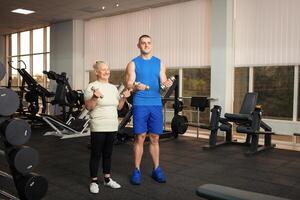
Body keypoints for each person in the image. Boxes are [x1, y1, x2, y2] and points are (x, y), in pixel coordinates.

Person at [125, 35, 173, 185]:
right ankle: (136, 170)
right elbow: (128, 84)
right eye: (143, 43)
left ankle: (156, 169)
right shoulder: (133, 63)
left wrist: (167, 83)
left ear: (152, 45)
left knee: (155, 137)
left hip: (156, 103)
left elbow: (163, 83)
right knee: (140, 136)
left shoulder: (159, 63)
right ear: (138, 45)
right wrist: (134, 86)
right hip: (140, 103)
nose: (146, 45)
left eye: (149, 43)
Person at [84, 61, 130, 194]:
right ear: (97, 72)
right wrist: (94, 97)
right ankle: (93, 181)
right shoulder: (92, 86)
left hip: (112, 125)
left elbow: (119, 107)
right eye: (103, 70)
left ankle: (107, 179)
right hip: (98, 125)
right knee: (96, 154)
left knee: (108, 154)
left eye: (107, 69)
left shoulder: (113, 88)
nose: (106, 71)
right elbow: (88, 107)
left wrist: (123, 98)